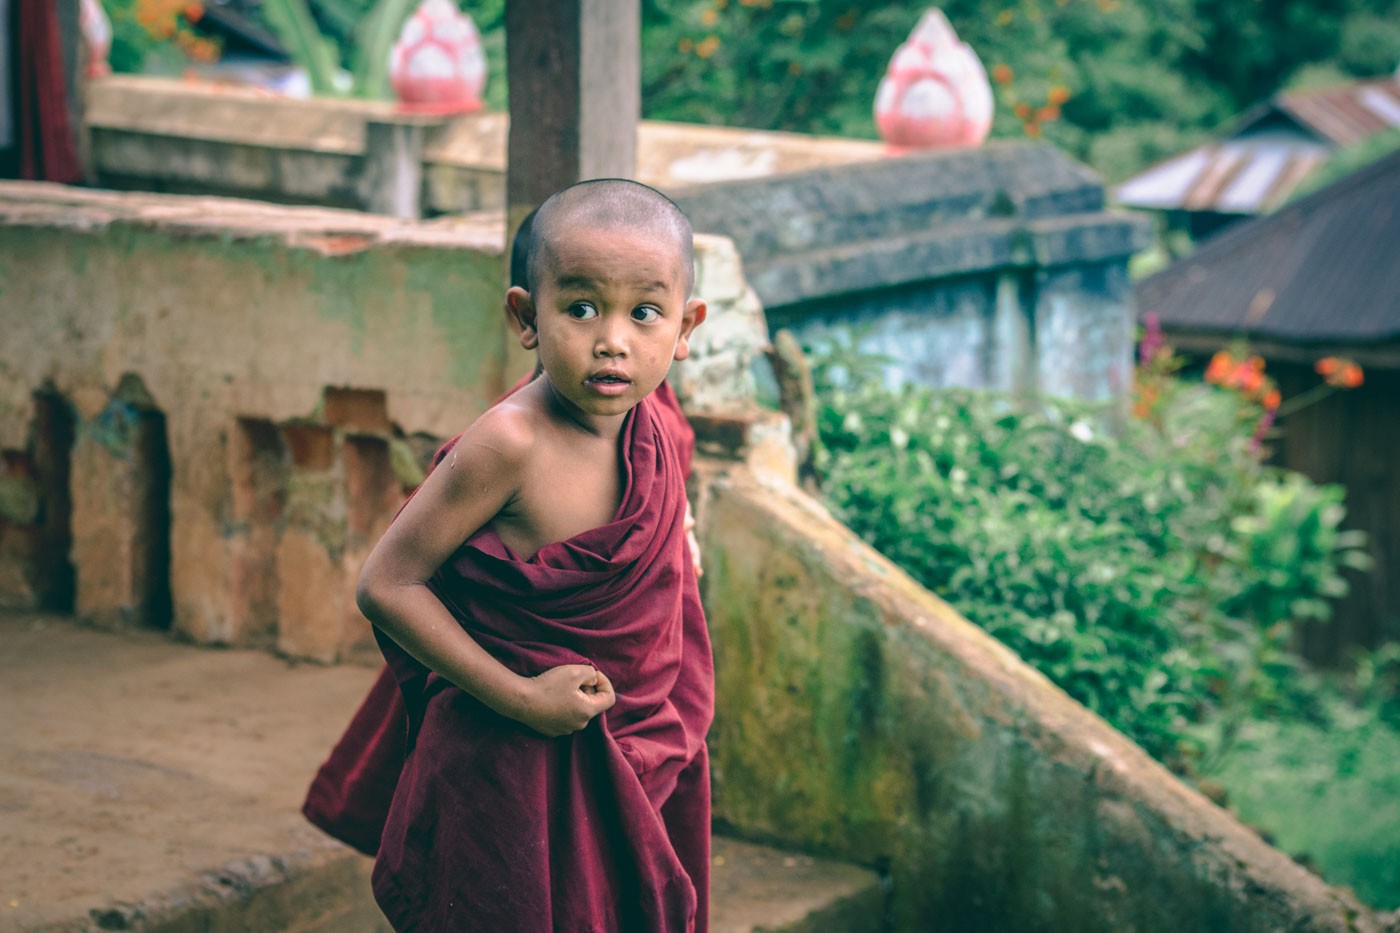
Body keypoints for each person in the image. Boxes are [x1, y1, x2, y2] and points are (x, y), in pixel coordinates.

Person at [341, 179, 714, 932]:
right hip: (512, 756)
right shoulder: (511, 444)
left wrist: (677, 531)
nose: (613, 339)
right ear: (525, 317)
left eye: (645, 312)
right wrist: (521, 698)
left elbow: (661, 509)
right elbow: (387, 582)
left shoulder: (654, 419)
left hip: (635, 740)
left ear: (685, 327)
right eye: (580, 307)